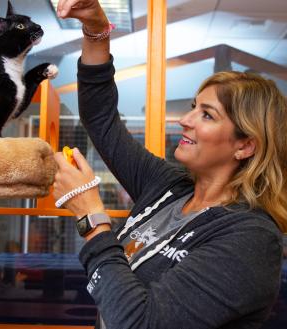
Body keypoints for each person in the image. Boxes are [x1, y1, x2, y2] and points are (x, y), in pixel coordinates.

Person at [52, 1, 287, 328]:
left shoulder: (251, 240)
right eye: (193, 107)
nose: (185, 120)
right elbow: (101, 119)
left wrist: (91, 219)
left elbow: (142, 323)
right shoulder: (169, 186)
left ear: (245, 145)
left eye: (207, 115)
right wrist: (95, 31)